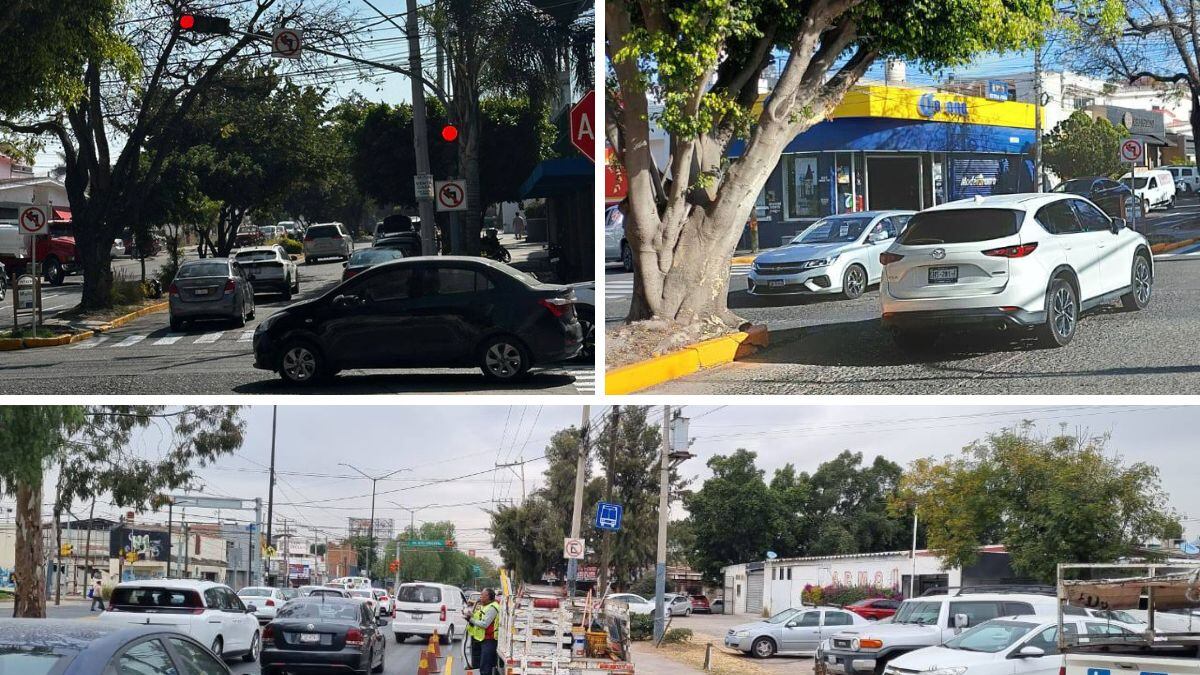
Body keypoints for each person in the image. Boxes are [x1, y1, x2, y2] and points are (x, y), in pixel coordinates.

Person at [466, 588, 501, 675]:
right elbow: (479, 619)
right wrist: (471, 616)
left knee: (485, 668)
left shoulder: (493, 607)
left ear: (488, 597)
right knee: (483, 666)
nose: (480, 597)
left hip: (490, 640)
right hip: (483, 639)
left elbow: (485, 624)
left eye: (482, 596)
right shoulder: (485, 606)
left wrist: (471, 620)